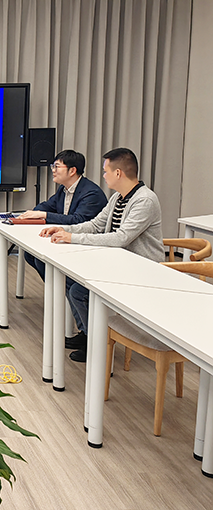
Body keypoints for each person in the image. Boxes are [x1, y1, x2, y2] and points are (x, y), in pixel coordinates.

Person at [40, 148, 163, 362]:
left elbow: (121, 238)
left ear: (118, 173)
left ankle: (97, 345)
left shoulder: (144, 200)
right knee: (70, 280)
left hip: (140, 270)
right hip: (116, 263)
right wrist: (63, 229)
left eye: (106, 171)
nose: (103, 175)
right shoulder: (117, 198)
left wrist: (72, 238)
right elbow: (95, 225)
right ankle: (88, 333)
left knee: (79, 291)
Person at [17, 150, 107, 281]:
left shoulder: (91, 193)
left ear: (72, 171)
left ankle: (63, 289)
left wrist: (43, 214)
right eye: (53, 166)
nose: (53, 170)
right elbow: (48, 205)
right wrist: (32, 213)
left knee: (42, 260)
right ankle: (57, 290)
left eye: (57, 166)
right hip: (67, 237)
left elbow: (78, 220)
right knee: (31, 255)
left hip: (85, 243)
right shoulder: (63, 188)